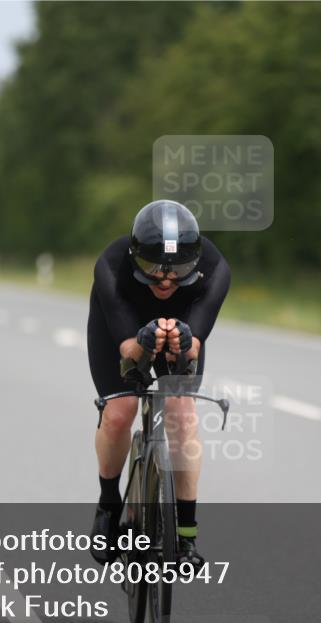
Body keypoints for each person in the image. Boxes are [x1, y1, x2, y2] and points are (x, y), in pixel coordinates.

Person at [87, 200, 230, 569]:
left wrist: (183, 339)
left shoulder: (215, 268)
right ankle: (108, 505)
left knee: (182, 417)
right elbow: (127, 350)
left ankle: (186, 535)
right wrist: (144, 340)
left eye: (177, 272)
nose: (165, 281)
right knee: (120, 412)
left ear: (194, 262)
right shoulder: (111, 264)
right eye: (153, 270)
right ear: (136, 258)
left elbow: (194, 345)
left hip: (183, 326)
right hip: (123, 327)